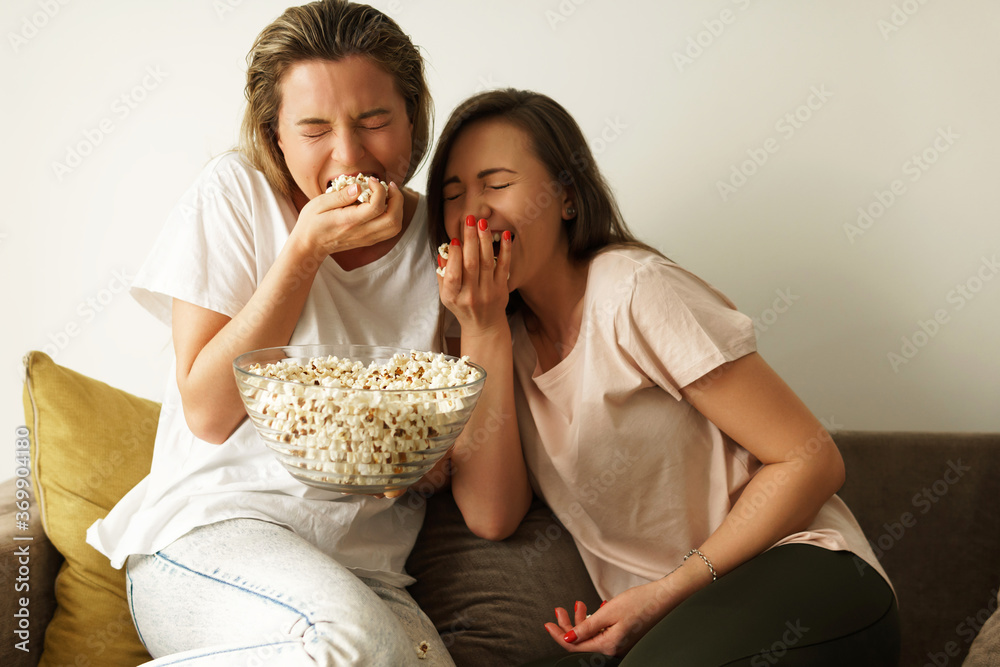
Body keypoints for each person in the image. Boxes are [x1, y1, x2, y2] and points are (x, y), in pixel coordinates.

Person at [428, 88, 901, 666]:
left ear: (567, 198)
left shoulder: (632, 290)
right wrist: (482, 329)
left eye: (496, 184)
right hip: (687, 622)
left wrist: (666, 591)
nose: (473, 213)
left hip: (804, 572)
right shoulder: (498, 340)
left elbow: (810, 459)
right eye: (453, 195)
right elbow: (491, 515)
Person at [86, 2, 454, 664]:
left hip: (364, 571)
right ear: (275, 133)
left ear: (413, 120)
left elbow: (458, 451)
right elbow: (208, 410)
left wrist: (420, 460)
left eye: (374, 121)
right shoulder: (235, 194)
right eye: (315, 129)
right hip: (210, 539)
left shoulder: (443, 243)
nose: (351, 155)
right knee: (349, 642)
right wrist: (302, 253)